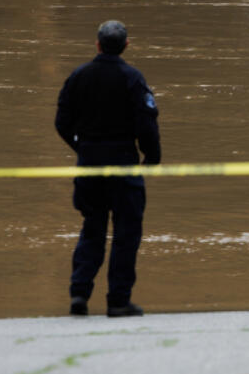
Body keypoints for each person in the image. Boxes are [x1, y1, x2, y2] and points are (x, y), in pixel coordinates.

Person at [55, 20, 160, 318]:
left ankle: (79, 294)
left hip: (89, 167)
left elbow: (61, 121)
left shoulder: (78, 77)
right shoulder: (132, 78)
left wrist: (83, 148)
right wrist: (151, 158)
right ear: (126, 46)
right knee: (126, 234)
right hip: (124, 165)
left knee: (92, 228)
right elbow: (147, 124)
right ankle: (118, 300)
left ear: (97, 44)